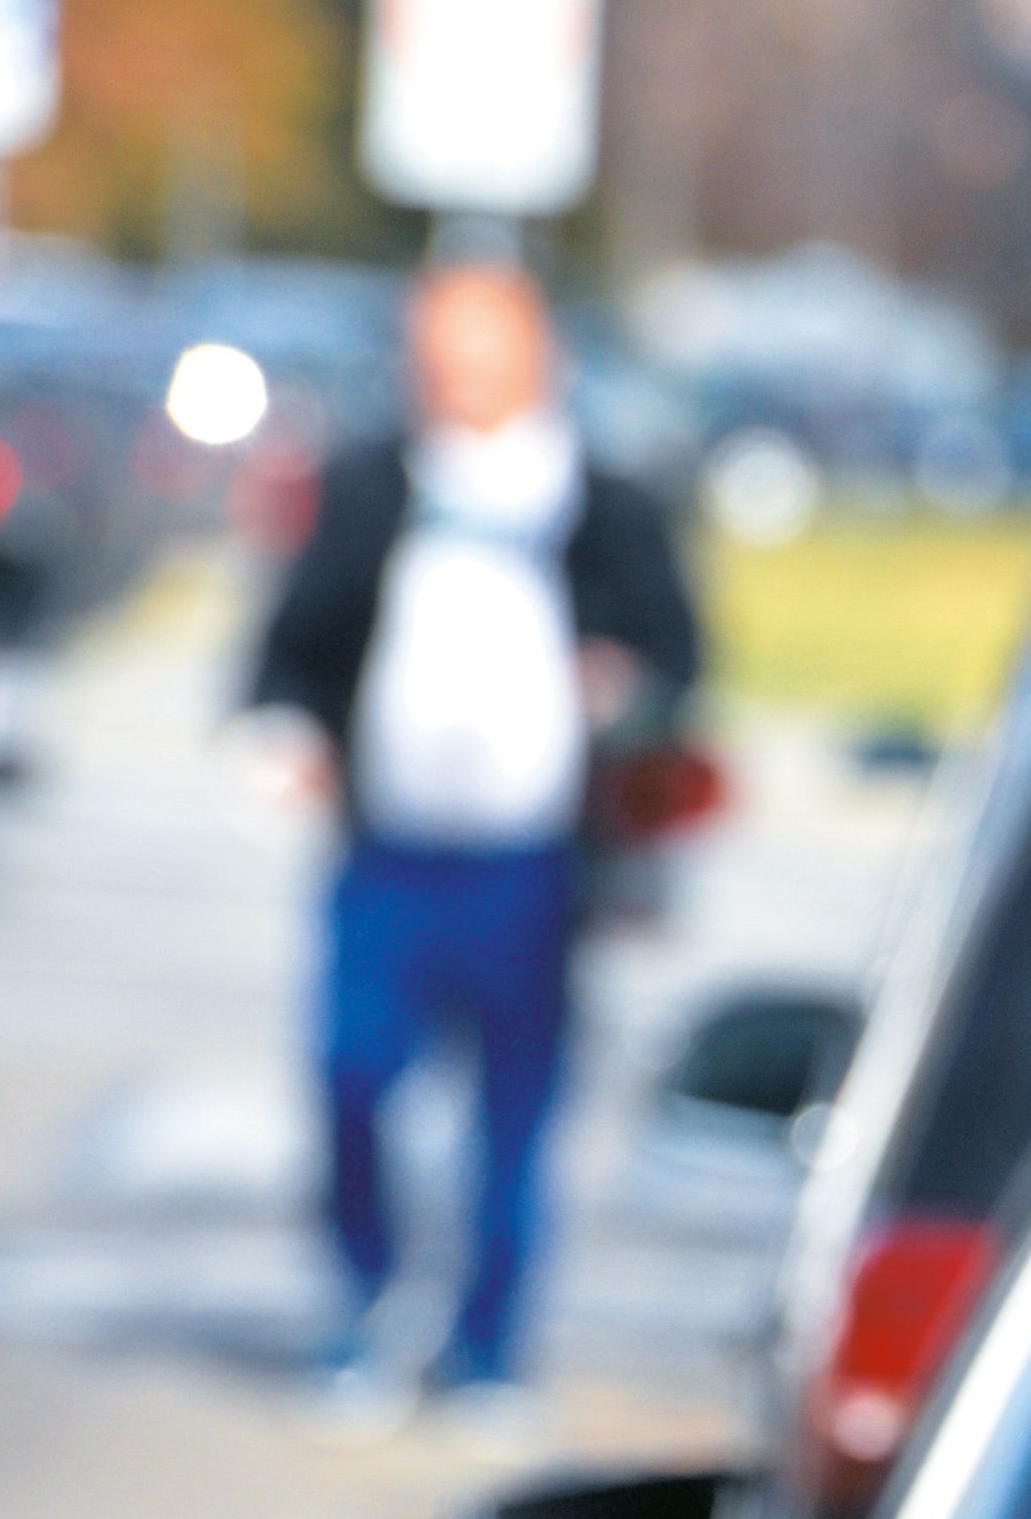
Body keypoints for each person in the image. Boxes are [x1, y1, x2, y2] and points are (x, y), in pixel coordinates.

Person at [247, 260, 703, 1417]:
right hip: (389, 847)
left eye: (479, 354)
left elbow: (679, 649)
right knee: (353, 1076)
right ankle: (362, 1308)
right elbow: (294, 642)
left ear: (536, 356)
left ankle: (488, 1346)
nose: (454, 380)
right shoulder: (368, 487)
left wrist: (625, 689)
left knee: (516, 1113)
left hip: (532, 857)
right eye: (437, 356)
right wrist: (290, 730)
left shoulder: (601, 500)